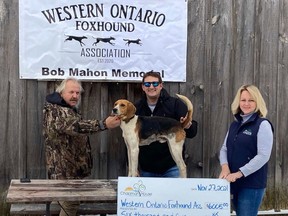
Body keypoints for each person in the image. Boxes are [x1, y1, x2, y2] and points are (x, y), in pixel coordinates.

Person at [43, 77, 120, 216]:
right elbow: (75, 127)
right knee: (70, 204)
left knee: (66, 203)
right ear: (61, 93)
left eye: (78, 93)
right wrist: (103, 124)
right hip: (63, 172)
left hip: (72, 170)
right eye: (71, 92)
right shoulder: (55, 110)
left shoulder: (67, 108)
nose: (75, 96)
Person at [218, 84, 274, 216]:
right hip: (233, 182)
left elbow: (263, 156)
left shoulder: (262, 124)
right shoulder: (235, 124)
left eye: (251, 100)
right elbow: (224, 149)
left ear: (257, 102)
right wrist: (225, 168)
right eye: (243, 100)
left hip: (251, 184)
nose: (246, 103)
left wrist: (238, 173)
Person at [134, 71, 198, 177]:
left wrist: (188, 125)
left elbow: (192, 132)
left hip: (171, 168)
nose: (151, 87)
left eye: (155, 83)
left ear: (161, 85)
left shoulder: (175, 104)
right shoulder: (136, 108)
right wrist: (135, 169)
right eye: (147, 84)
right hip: (146, 169)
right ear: (143, 87)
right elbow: (131, 141)